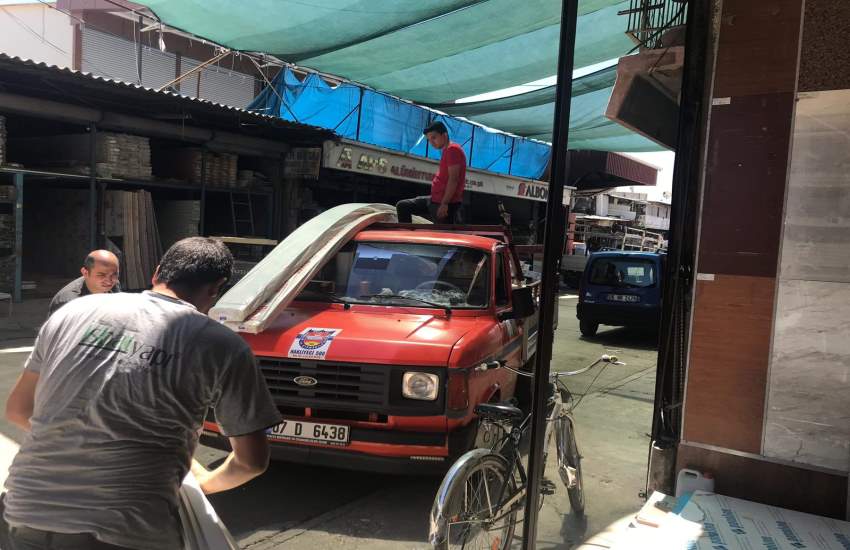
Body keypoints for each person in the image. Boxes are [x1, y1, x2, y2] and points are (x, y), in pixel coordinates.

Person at [3, 237, 282, 550]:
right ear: (216, 288)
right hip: (128, 528)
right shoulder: (223, 345)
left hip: (28, 511)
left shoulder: (74, 312)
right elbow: (251, 462)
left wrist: (78, 438)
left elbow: (18, 410)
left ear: (157, 272)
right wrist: (200, 484)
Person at [396, 121, 466, 223]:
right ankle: (406, 232)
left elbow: (454, 179)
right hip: (435, 199)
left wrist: (445, 204)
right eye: (429, 140)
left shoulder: (453, 150)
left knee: (441, 232)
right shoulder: (447, 150)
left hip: (445, 203)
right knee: (403, 206)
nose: (432, 142)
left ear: (444, 135)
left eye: (434, 138)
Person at [48, 250, 121, 317]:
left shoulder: (114, 283)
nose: (109, 281)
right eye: (101, 275)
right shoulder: (70, 302)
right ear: (85, 273)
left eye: (114, 274)